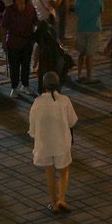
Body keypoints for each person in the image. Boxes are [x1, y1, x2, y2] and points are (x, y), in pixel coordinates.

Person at [27, 71, 78, 214]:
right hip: (61, 141)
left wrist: (35, 134)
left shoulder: (37, 103)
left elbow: (32, 127)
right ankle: (62, 198)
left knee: (49, 172)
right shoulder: (64, 100)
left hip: (44, 143)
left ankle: (53, 203)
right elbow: (73, 121)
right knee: (64, 170)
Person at [2, 0, 38, 95]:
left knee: (26, 65)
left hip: (27, 41)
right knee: (14, 66)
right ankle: (14, 87)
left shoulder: (30, 8)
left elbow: (35, 21)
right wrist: (3, 43)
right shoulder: (9, 10)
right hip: (13, 42)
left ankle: (25, 85)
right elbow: (3, 27)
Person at [72, 0, 104, 82]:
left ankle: (79, 74)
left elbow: (77, 12)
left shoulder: (79, 0)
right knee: (90, 55)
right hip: (94, 29)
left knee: (81, 54)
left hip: (82, 28)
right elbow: (101, 11)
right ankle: (89, 77)